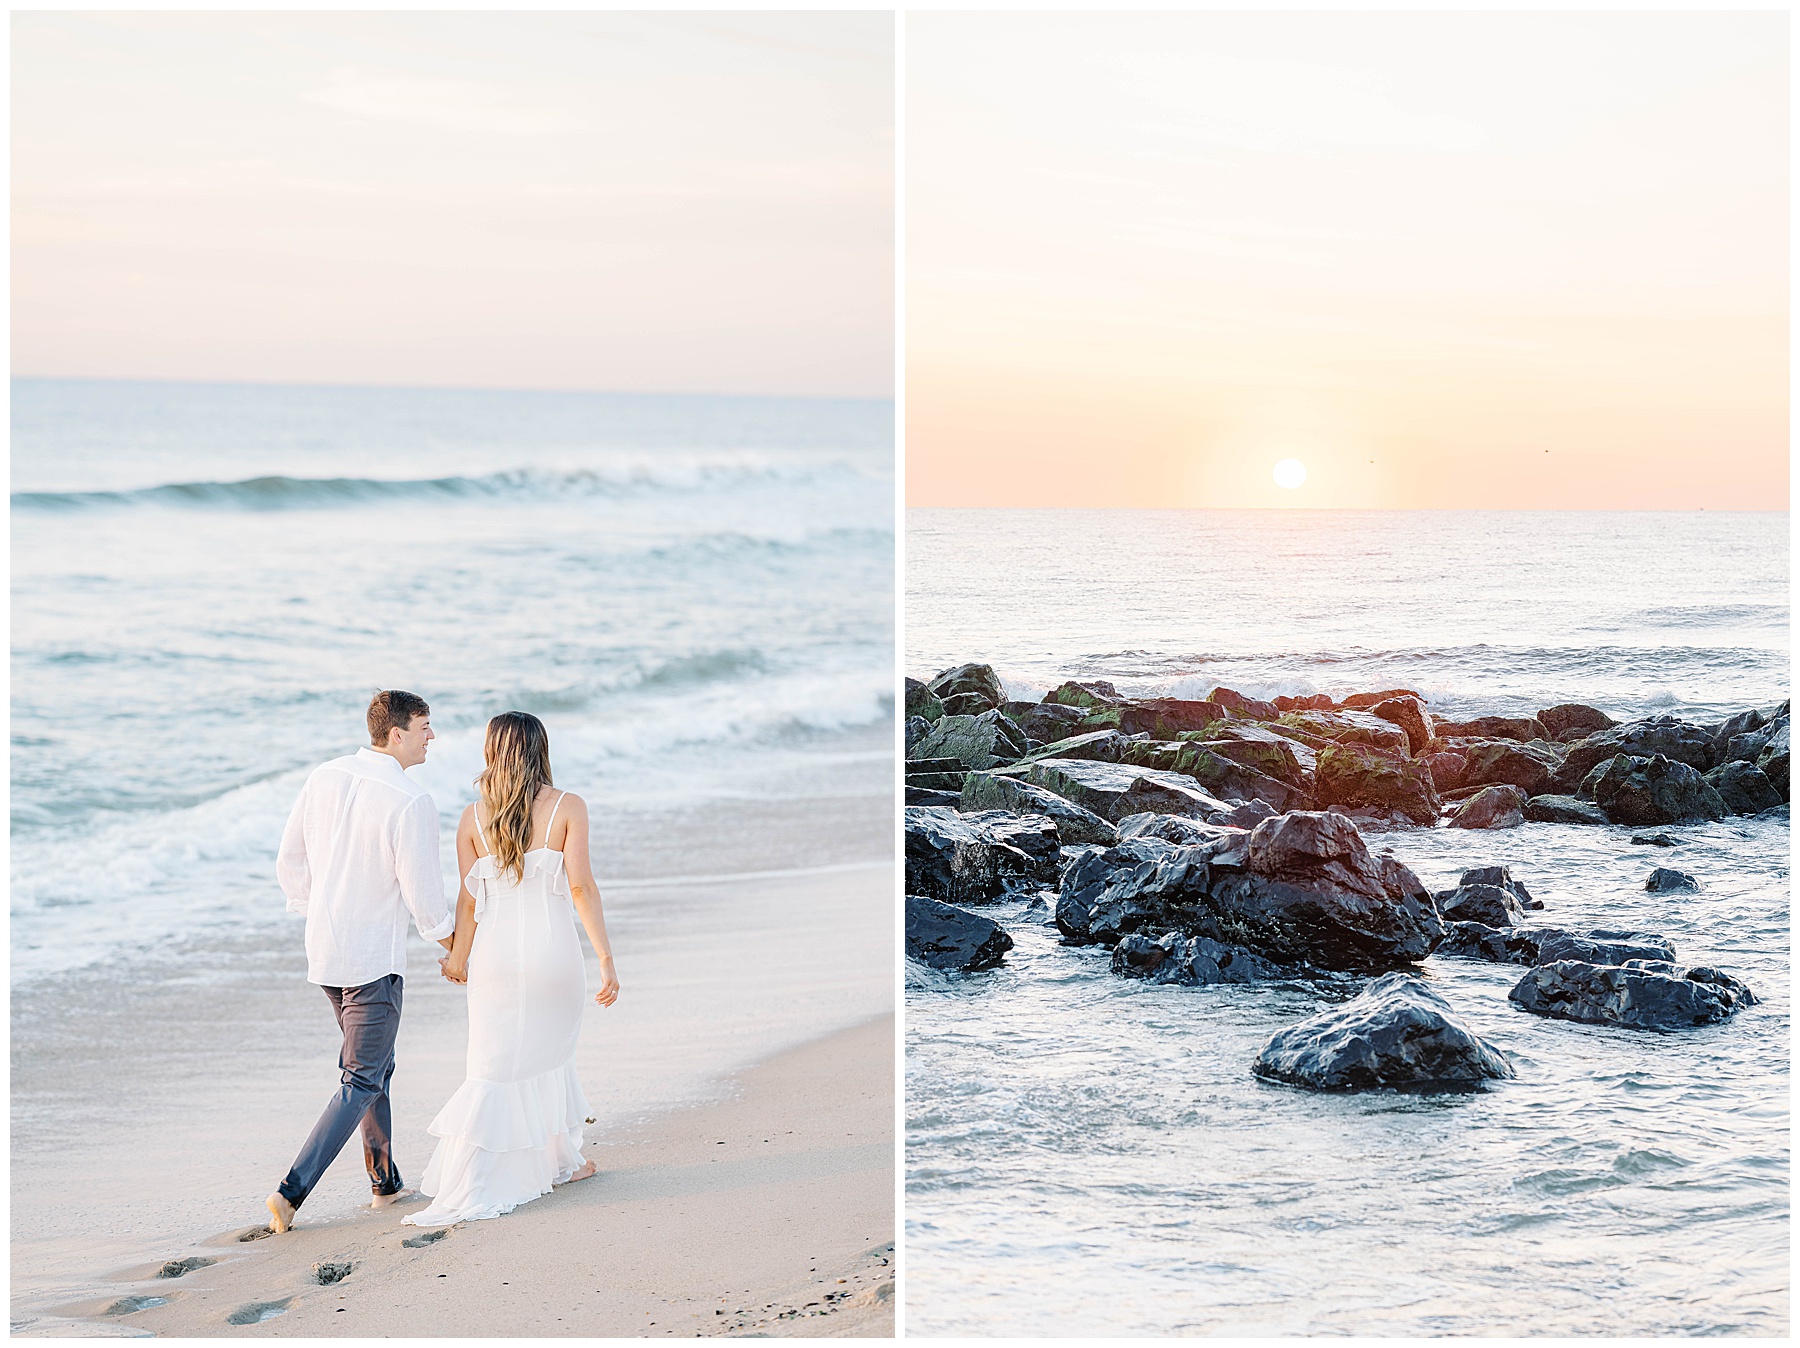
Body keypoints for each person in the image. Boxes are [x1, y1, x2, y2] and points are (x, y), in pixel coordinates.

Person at [403, 710, 621, 1227]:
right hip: (554, 955)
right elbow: (581, 888)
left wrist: (457, 959)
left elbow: (469, 898)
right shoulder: (569, 806)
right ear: (540, 749)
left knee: (492, 1065)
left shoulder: (472, 818)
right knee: (550, 1058)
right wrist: (607, 959)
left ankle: (483, 1175)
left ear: (491, 752)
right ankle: (560, 1162)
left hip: (495, 960)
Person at [267, 689, 455, 1233]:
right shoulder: (410, 801)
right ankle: (290, 1192)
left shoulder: (324, 775)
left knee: (374, 1069)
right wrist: (453, 945)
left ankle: (385, 1183)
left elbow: (290, 858)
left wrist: (316, 910)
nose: (431, 737)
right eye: (424, 727)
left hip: (325, 951)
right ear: (396, 734)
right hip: (373, 959)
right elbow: (424, 898)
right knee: (362, 1076)